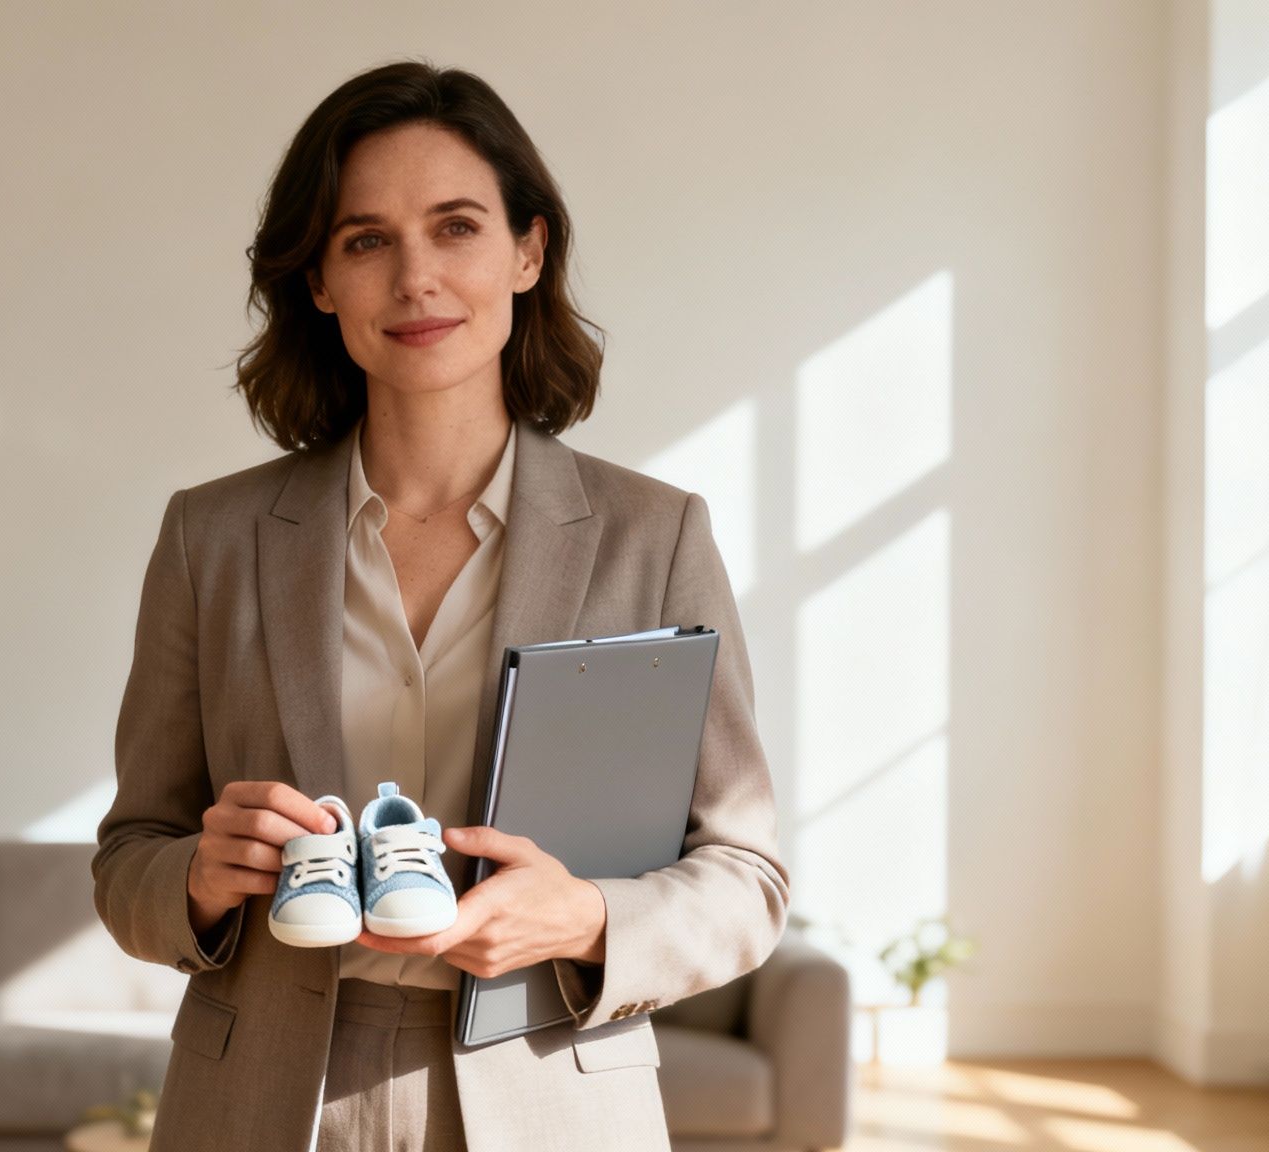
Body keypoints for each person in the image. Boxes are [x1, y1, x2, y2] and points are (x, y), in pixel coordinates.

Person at [93, 58, 790, 1152]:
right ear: (319, 282)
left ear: (526, 249)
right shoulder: (210, 538)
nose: (414, 277)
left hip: (553, 1095)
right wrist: (192, 876)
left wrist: (593, 916)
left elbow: (744, 877)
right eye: (365, 240)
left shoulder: (656, 535)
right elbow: (129, 853)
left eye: (454, 226)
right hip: (263, 1101)